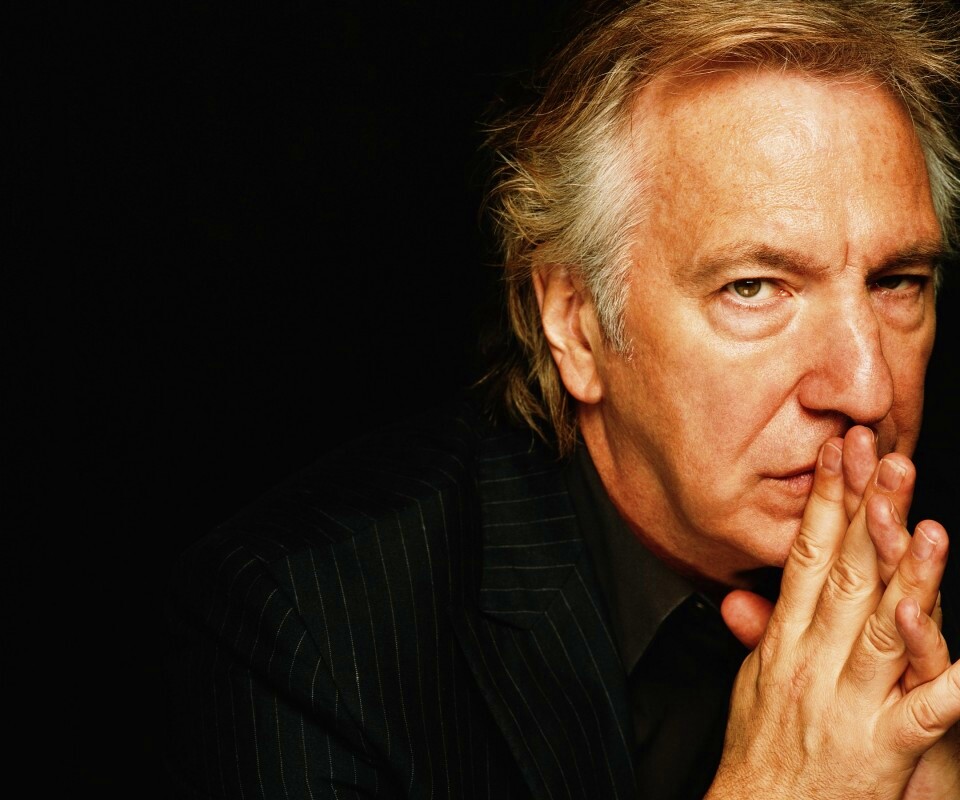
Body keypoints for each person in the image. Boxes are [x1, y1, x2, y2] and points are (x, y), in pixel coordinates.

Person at [165, 1, 960, 797]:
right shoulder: (306, 622)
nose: (867, 388)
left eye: (897, 282)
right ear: (576, 325)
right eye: (752, 288)